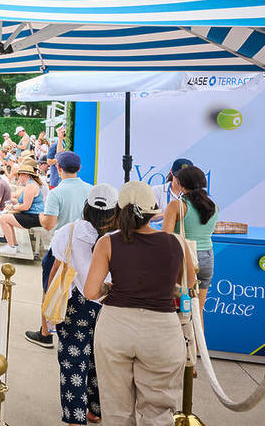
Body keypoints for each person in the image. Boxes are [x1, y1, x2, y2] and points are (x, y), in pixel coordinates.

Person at [85, 180, 196, 426]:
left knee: (116, 410)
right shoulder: (176, 243)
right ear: (152, 211)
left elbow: (91, 291)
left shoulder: (107, 242)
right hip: (162, 330)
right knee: (158, 413)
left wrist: (109, 288)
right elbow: (190, 283)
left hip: (115, 326)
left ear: (118, 210)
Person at [49, 184, 118, 425]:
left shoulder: (69, 232)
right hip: (109, 305)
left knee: (73, 359)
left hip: (75, 303)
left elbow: (56, 270)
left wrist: (46, 304)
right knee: (100, 358)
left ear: (86, 207)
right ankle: (96, 410)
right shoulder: (120, 238)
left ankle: (75, 417)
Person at [26, 151, 93, 349]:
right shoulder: (91, 190)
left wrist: (39, 217)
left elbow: (48, 224)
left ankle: (45, 332)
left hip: (61, 250)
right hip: (87, 249)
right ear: (79, 168)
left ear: (58, 168)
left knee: (50, 288)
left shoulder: (56, 193)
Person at [162, 165, 218, 324]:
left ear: (180, 183)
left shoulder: (176, 205)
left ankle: (181, 348)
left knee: (179, 311)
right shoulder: (214, 207)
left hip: (184, 260)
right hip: (207, 258)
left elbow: (165, 238)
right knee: (198, 310)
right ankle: (199, 348)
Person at [0, 164, 45, 256]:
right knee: (5, 217)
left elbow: (26, 206)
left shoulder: (31, 186)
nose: (18, 177)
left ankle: (11, 247)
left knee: (3, 219)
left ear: (24, 175)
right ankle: (13, 246)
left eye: (19, 175)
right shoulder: (31, 184)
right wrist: (13, 203)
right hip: (34, 215)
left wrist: (12, 207)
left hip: (35, 217)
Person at [151, 158, 192, 224]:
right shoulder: (157, 190)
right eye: (179, 176)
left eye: (185, 177)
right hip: (161, 232)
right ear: (171, 172)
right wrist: (169, 214)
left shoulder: (194, 194)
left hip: (185, 232)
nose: (182, 180)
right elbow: (149, 217)